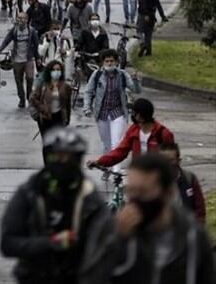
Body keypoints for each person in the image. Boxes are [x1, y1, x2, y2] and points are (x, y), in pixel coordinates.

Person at [79, 154, 215, 284]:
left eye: (143, 192)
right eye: (131, 191)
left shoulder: (192, 236)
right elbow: (91, 277)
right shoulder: (115, 233)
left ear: (168, 193)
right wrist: (116, 241)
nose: (135, 199)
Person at [1, 128, 110, 284]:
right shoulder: (30, 192)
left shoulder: (89, 196)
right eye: (58, 156)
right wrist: (51, 243)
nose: (64, 163)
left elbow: (108, 245)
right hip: (35, 276)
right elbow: (8, 243)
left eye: (70, 158)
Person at [86, 98, 175, 169]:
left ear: (141, 116)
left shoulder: (163, 134)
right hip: (138, 174)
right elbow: (120, 152)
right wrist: (100, 162)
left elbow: (171, 159)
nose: (132, 115)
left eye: (134, 112)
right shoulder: (133, 131)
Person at [83, 49, 142, 156]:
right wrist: (87, 107)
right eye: (107, 61)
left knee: (116, 143)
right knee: (107, 144)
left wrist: (135, 80)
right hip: (102, 114)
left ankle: (116, 169)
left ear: (116, 62)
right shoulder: (97, 75)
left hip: (118, 113)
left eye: (112, 61)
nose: (109, 63)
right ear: (103, 63)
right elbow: (88, 91)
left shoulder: (122, 75)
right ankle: (108, 166)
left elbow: (136, 90)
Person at [29, 60, 71, 160]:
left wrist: (67, 119)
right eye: (54, 70)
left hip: (59, 117)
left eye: (58, 70)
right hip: (45, 117)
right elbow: (33, 98)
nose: (56, 72)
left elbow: (67, 104)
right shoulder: (43, 84)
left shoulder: (65, 86)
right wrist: (41, 108)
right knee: (47, 143)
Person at [0, 11, 39, 108]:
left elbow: (36, 45)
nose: (21, 21)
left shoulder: (31, 31)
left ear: (27, 20)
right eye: (19, 18)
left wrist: (37, 58)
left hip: (28, 59)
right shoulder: (14, 30)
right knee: (18, 81)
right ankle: (22, 99)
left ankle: (29, 97)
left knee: (30, 79)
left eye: (23, 18)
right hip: (16, 60)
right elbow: (6, 40)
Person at [157, 142, 206, 223]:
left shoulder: (189, 179)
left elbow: (200, 210)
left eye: (170, 160)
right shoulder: (151, 183)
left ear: (178, 161)